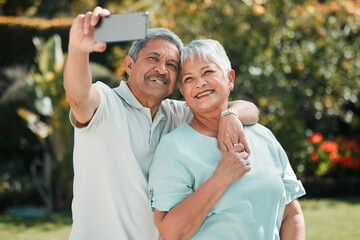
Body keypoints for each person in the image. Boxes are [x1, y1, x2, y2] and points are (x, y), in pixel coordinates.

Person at [63, 7, 259, 240]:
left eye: (172, 65)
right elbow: (78, 95)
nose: (161, 69)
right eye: (153, 59)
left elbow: (250, 109)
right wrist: (77, 49)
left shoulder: (177, 113)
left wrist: (231, 115)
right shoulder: (106, 103)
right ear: (129, 65)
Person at [148, 39, 306, 240]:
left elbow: (291, 214)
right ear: (183, 93)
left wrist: (230, 115)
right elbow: (171, 233)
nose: (200, 83)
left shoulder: (263, 136)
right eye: (188, 79)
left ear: (230, 79)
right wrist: (220, 178)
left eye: (207, 72)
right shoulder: (174, 148)